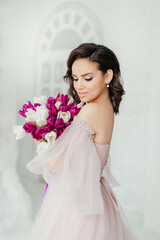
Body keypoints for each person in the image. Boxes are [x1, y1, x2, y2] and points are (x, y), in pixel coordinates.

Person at [26, 43, 138, 239]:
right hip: (94, 198)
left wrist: (38, 135)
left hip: (78, 206)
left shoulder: (91, 110)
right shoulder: (105, 107)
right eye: (75, 78)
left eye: (87, 78)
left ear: (108, 76)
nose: (78, 86)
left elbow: (55, 164)